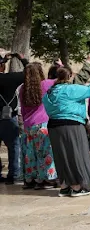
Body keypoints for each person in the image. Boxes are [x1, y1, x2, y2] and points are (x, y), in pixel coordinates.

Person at [43, 65, 90, 197]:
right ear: (69, 76)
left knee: (60, 156)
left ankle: (64, 186)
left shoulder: (49, 93)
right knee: (75, 154)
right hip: (72, 125)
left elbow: (47, 108)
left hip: (53, 126)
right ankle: (77, 186)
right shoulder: (71, 89)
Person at [16, 63, 57, 189]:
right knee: (45, 153)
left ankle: (29, 179)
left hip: (28, 126)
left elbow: (22, 109)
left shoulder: (22, 88)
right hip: (43, 124)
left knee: (29, 154)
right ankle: (44, 179)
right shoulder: (45, 84)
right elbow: (61, 77)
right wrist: (59, 65)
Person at [0, 53, 28, 185]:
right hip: (8, 118)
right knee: (14, 146)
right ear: (2, 66)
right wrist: (21, 58)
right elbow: (29, 72)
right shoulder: (10, 78)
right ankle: (13, 174)